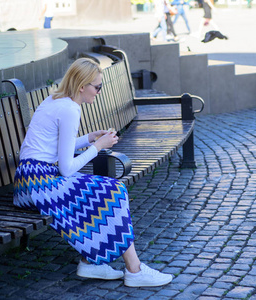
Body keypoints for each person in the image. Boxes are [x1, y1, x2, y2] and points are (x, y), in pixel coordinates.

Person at [13, 58, 173, 288]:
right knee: (112, 190)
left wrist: (88, 138)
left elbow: (54, 148)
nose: (99, 92)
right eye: (97, 87)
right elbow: (66, 168)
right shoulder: (69, 108)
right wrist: (97, 147)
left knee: (109, 190)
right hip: (38, 183)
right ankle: (134, 270)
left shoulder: (56, 99)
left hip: (29, 179)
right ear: (81, 86)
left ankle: (92, 262)